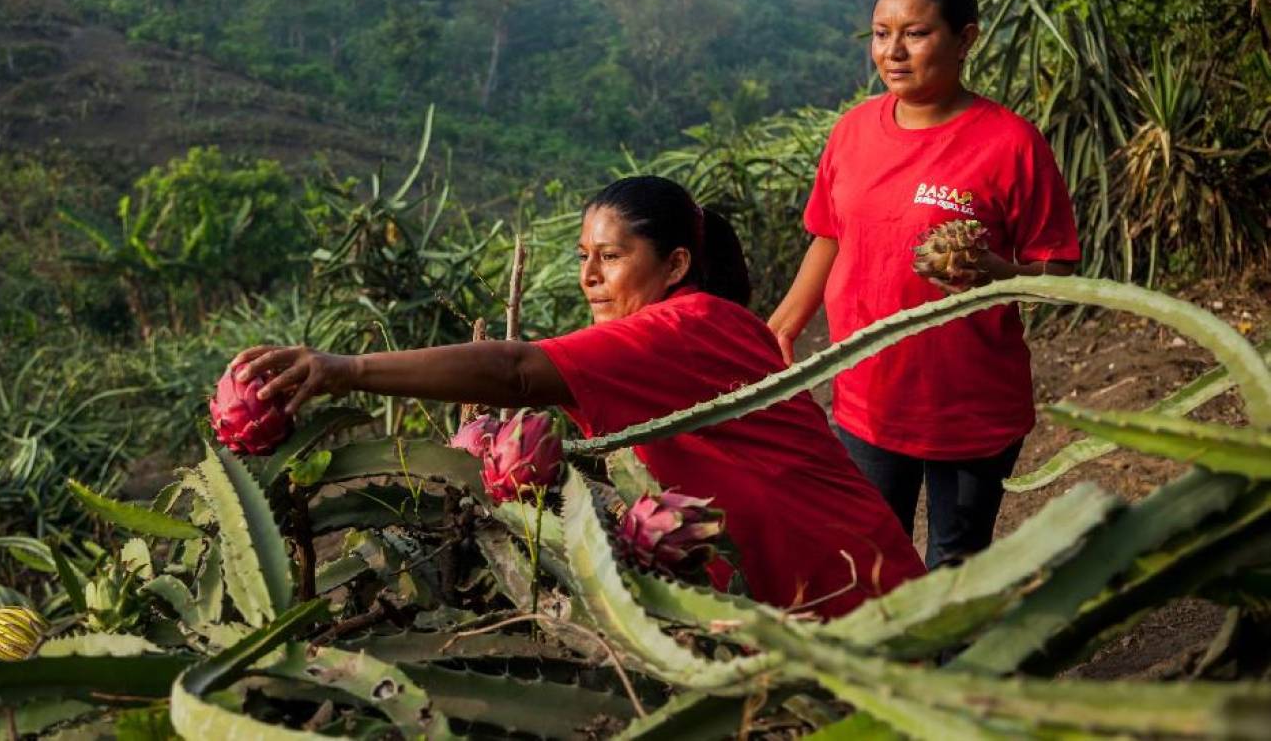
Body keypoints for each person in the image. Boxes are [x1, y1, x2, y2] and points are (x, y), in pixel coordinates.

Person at [233, 176, 925, 617]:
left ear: (676, 264)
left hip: (844, 592)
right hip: (853, 572)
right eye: (582, 256)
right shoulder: (714, 321)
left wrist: (346, 368)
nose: (590, 276)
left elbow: (514, 370)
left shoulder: (679, 326)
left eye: (612, 255)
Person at [767, 0, 1081, 570]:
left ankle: (955, 665)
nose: (893, 51)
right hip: (865, 395)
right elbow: (830, 235)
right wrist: (781, 326)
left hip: (967, 407)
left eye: (916, 33)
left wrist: (991, 270)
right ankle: (884, 668)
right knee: (872, 556)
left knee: (955, 562)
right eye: (882, 33)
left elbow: (1058, 274)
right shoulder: (853, 132)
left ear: (966, 38)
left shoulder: (1010, 143)